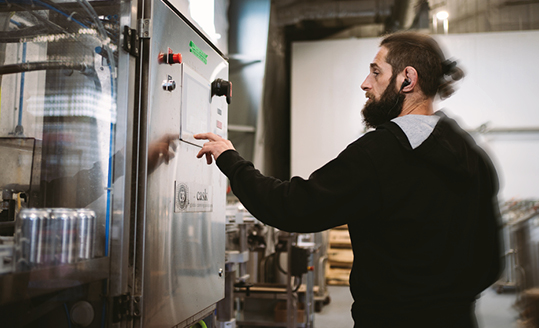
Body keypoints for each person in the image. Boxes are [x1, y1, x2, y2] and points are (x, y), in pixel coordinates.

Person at [194, 32, 502, 328]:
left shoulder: (380, 152)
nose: (365, 84)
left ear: (407, 79)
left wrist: (230, 159)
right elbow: (491, 263)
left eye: (375, 72)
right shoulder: (473, 156)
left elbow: (292, 206)